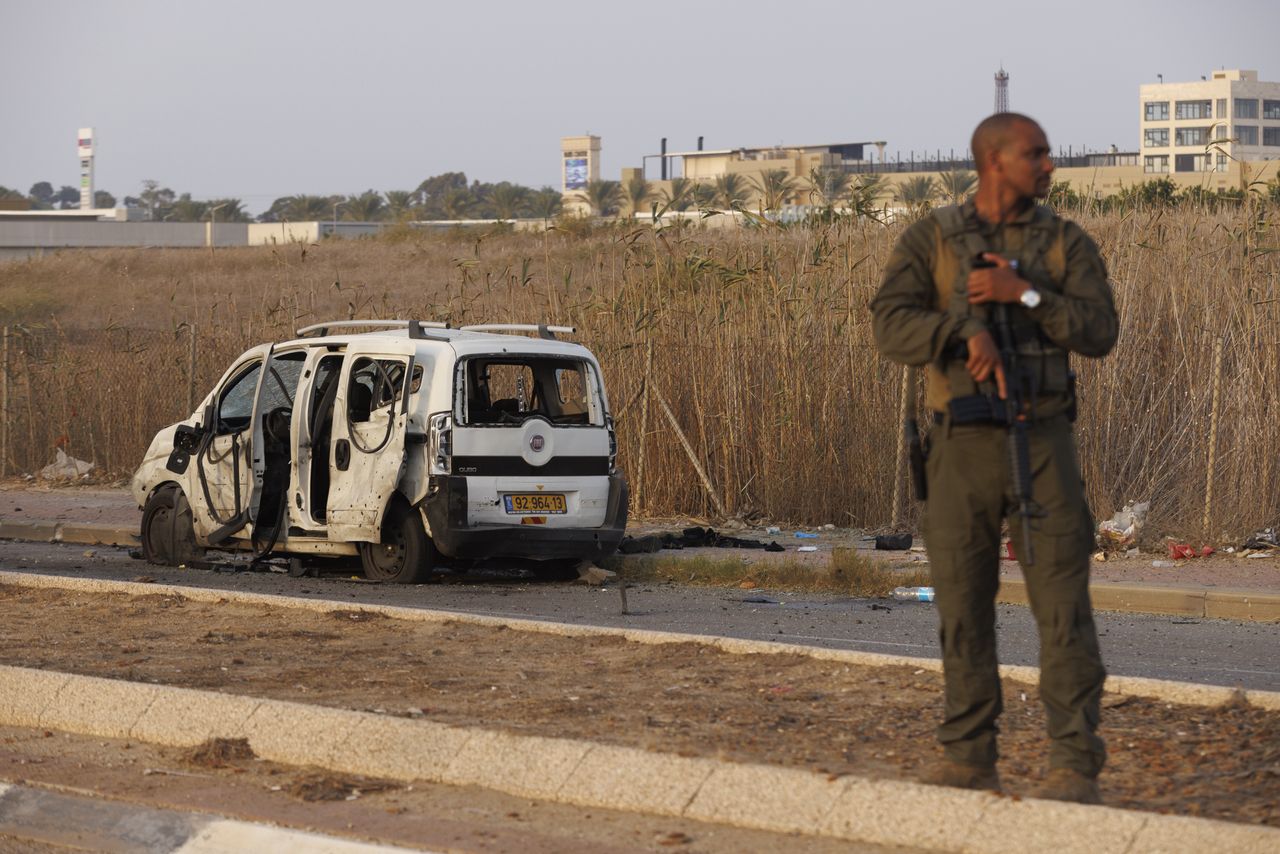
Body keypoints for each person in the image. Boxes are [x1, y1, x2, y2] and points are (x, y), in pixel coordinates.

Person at [870, 113, 1118, 804]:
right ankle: (968, 756)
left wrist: (1025, 293)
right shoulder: (932, 239)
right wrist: (959, 330)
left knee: (1064, 606)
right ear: (993, 160)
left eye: (1046, 154)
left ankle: (1073, 766)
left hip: (1043, 442)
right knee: (962, 606)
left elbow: (1100, 330)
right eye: (1034, 154)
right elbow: (889, 322)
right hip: (960, 446)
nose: (1049, 165)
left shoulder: (1064, 243)